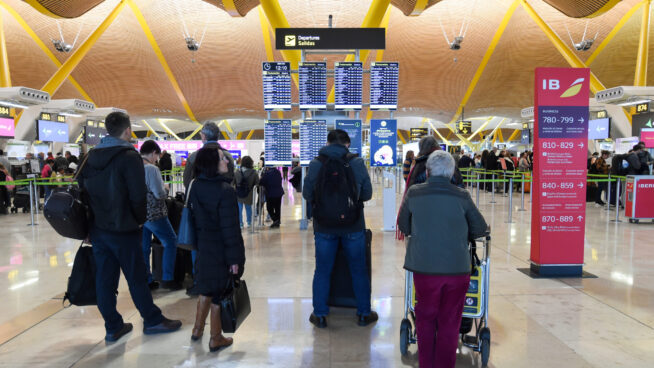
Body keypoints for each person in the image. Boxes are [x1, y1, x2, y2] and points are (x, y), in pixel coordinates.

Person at [78, 111, 181, 342]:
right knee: (136, 277)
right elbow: (138, 196)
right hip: (124, 228)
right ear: (127, 131)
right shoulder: (128, 156)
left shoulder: (90, 157)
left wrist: (88, 227)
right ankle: (152, 320)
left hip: (98, 230)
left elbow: (82, 194)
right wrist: (138, 220)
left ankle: (113, 326)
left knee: (105, 280)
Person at [397, 150, 488, 368]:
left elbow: (403, 225)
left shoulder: (414, 193)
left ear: (427, 171)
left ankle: (426, 364)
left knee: (425, 317)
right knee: (450, 320)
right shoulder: (462, 196)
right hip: (457, 269)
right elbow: (480, 228)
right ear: (451, 173)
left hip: (424, 269)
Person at [303, 129, 376, 328]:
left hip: (324, 227)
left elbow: (307, 193)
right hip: (353, 225)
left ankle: (319, 315)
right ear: (347, 144)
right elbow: (367, 194)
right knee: (358, 270)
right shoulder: (356, 162)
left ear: (327, 143)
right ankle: (363, 313)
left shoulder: (317, 163)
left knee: (323, 271)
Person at [187, 147, 245, 352]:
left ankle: (197, 329)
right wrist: (235, 259)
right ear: (213, 163)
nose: (227, 162)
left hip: (203, 246)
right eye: (222, 159)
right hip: (221, 250)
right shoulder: (225, 191)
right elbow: (229, 230)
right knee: (220, 292)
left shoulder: (195, 186)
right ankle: (215, 337)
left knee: (206, 287)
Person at [140, 140, 181, 291]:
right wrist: (166, 188)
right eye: (156, 156)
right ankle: (168, 278)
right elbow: (158, 194)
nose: (156, 159)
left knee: (144, 247)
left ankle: (147, 280)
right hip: (155, 213)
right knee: (170, 241)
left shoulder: (134, 165)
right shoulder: (151, 169)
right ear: (153, 153)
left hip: (140, 214)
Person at [183, 121, 235, 189]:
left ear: (204, 136)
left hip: (200, 196)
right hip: (223, 196)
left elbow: (187, 182)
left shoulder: (194, 156)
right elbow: (231, 179)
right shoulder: (227, 156)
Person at [234, 155, 259, 229]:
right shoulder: (254, 173)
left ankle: (240, 224)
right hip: (249, 193)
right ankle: (249, 223)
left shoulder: (237, 172)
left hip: (238, 193)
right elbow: (257, 183)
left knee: (239, 209)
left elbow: (233, 182)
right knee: (248, 208)